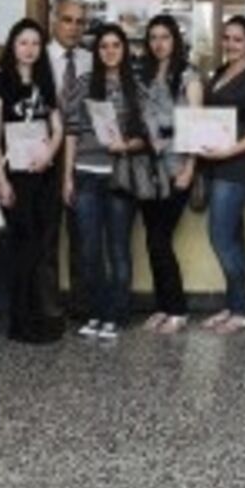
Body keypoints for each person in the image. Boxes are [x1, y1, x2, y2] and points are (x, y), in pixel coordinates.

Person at [62, 23, 145, 341]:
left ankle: (116, 315)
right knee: (88, 250)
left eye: (116, 45)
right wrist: (67, 177)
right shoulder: (84, 83)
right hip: (85, 173)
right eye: (104, 46)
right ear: (96, 52)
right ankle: (96, 312)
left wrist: (127, 145)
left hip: (119, 176)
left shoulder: (137, 85)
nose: (110, 51)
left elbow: (149, 136)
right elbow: (71, 132)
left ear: (125, 49)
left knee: (118, 249)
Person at [0, 18, 65, 343]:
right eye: (23, 42)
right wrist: (1, 180)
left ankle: (41, 317)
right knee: (22, 249)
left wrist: (49, 153)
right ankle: (19, 321)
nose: (29, 49)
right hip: (15, 175)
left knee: (42, 247)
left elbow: (58, 128)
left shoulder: (46, 80)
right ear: (13, 45)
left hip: (44, 174)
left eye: (35, 43)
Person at [201, 16, 245, 333]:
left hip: (237, 166)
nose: (230, 44)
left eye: (238, 39)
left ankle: (241, 308)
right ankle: (234, 306)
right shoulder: (220, 72)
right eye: (227, 38)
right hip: (217, 164)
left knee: (219, 236)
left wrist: (229, 151)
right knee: (233, 238)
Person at [138, 15, 202, 335]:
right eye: (153, 37)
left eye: (164, 37)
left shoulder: (188, 75)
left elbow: (197, 124)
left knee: (160, 238)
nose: (159, 43)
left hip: (177, 166)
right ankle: (163, 306)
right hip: (147, 168)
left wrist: (190, 168)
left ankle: (177, 309)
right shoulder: (144, 75)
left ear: (175, 40)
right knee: (152, 239)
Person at [46, 0, 92, 320]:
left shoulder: (92, 60)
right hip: (45, 153)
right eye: (67, 20)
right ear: (53, 21)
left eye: (80, 22)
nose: (73, 28)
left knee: (83, 234)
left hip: (84, 152)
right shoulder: (38, 56)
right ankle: (48, 304)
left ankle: (81, 305)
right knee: (47, 234)